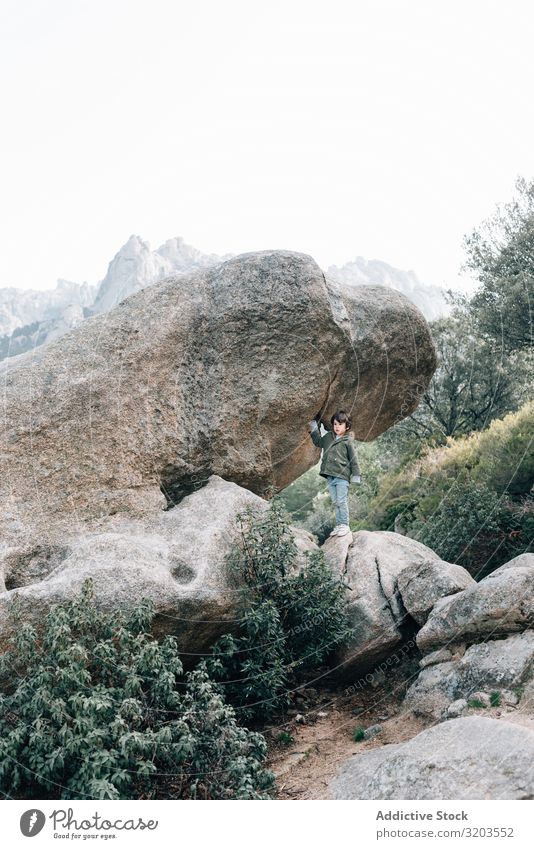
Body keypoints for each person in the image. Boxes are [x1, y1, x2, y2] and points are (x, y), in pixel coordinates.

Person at [307, 409, 361, 537]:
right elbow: (318, 442)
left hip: (342, 476)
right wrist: (314, 428)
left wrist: (356, 475)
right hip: (330, 476)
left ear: (347, 427)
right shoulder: (328, 437)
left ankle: (345, 525)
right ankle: (339, 525)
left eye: (340, 424)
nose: (337, 427)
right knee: (335, 502)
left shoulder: (347, 441)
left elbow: (354, 459)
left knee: (341, 501)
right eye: (335, 424)